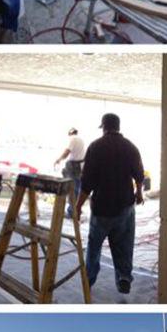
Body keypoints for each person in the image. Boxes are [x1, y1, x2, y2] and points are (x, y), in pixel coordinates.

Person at [77, 113, 145, 295]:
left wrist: (77, 207)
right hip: (125, 207)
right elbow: (139, 175)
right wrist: (139, 192)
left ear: (104, 127)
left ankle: (88, 280)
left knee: (94, 247)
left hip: (101, 209)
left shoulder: (95, 147)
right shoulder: (130, 147)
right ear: (118, 126)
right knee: (124, 244)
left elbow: (87, 183)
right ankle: (123, 276)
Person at [54, 128, 86, 219]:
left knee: (71, 189)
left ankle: (72, 212)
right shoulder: (81, 139)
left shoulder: (72, 138)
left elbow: (67, 151)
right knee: (76, 188)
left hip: (73, 166)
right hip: (80, 165)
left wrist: (59, 160)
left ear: (70, 133)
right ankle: (75, 210)